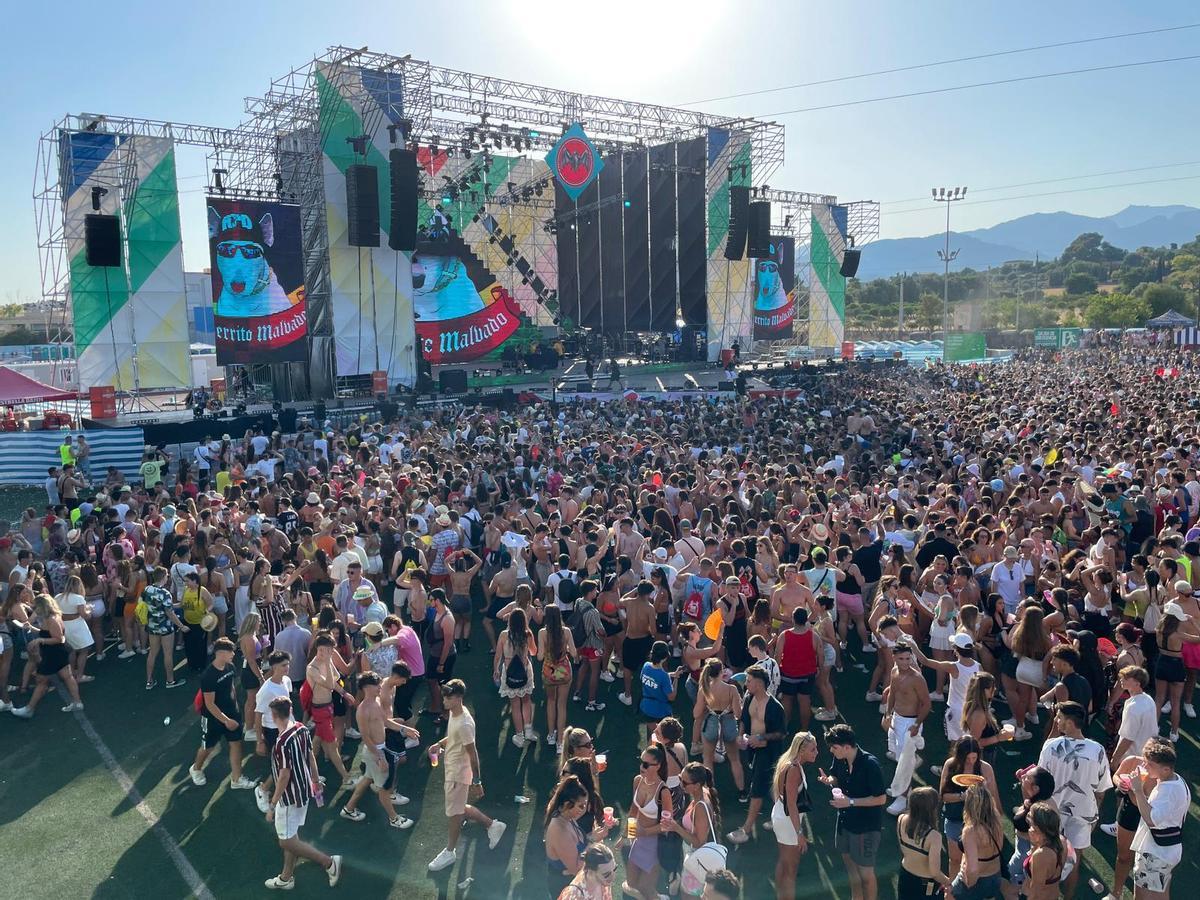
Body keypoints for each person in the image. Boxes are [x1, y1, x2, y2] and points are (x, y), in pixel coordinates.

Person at [262, 696, 343, 890]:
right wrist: (315, 780)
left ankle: (328, 862)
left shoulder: (281, 743)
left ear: (274, 716)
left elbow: (284, 775)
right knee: (292, 836)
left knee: (285, 841)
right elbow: (310, 756)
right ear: (290, 711)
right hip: (304, 791)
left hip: (289, 798)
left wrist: (272, 804)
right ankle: (286, 877)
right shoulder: (301, 728)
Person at [426, 679, 507, 872]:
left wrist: (477, 781)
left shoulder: (464, 723)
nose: (444, 700)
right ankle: (492, 826)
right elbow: (454, 737)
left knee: (455, 814)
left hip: (457, 774)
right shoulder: (456, 714)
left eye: (448, 697)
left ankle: (449, 852)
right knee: (459, 808)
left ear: (459, 698)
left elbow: (473, 753)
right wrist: (441, 743)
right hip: (453, 769)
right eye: (444, 696)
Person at [1036, 701, 1109, 900]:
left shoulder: (1051, 746)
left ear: (1069, 722)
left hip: (1051, 813)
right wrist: (1094, 816)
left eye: (1058, 717)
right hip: (1083, 814)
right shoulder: (1098, 750)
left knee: (1046, 857)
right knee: (1074, 860)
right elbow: (1101, 791)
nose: (1056, 721)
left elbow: (1040, 780)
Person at [338, 671, 417, 829]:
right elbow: (366, 737)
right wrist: (380, 757)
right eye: (377, 685)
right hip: (375, 753)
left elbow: (386, 722)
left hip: (378, 750)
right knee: (384, 789)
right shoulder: (362, 710)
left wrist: (404, 729)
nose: (380, 687)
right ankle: (394, 818)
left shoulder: (377, 702)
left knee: (367, 779)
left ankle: (348, 808)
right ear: (367, 687)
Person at [820, 723, 887, 900]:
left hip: (865, 828)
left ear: (847, 747)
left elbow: (881, 798)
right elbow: (836, 777)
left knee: (866, 875)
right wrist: (830, 781)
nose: (831, 751)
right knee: (852, 871)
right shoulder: (841, 758)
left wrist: (850, 802)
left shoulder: (870, 765)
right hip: (844, 823)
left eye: (834, 748)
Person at [727, 665, 786, 844]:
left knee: (757, 789)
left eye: (749, 681)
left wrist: (760, 737)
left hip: (768, 752)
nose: (746, 683)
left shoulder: (776, 707)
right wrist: (740, 735)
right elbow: (744, 719)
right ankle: (783, 819)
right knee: (773, 786)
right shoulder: (749, 696)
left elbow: (781, 733)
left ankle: (745, 830)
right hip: (753, 750)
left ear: (759, 684)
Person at [189, 636, 256, 791]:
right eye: (230, 652)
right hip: (213, 719)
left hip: (232, 714)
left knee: (236, 744)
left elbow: (231, 688)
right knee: (208, 747)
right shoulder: (208, 676)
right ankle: (196, 768)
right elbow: (210, 704)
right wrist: (226, 720)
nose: (233, 654)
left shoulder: (230, 667)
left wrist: (235, 709)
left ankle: (237, 779)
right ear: (219, 653)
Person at [1127, 738, 1189, 900]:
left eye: (1150, 765)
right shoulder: (1176, 781)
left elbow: (1151, 819)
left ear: (1166, 769)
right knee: (1159, 895)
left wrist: (1138, 790)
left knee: (1141, 896)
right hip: (1167, 851)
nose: (1145, 767)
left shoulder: (1168, 791)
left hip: (1155, 854)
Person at [10, 593, 84, 718]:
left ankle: (29, 709)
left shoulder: (52, 619)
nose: (35, 609)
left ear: (42, 606)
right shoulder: (50, 617)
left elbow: (59, 638)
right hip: (57, 653)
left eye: (37, 607)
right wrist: (32, 628)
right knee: (67, 677)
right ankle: (77, 702)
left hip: (53, 654)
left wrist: (40, 641)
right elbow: (47, 633)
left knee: (41, 681)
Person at [882, 640, 931, 815]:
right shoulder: (894, 671)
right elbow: (892, 694)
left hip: (910, 724)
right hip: (896, 720)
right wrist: (887, 714)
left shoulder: (917, 678)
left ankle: (903, 799)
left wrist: (917, 725)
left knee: (904, 763)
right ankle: (901, 788)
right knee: (898, 756)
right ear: (894, 657)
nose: (905, 662)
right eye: (901, 658)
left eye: (908, 658)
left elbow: (926, 704)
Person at [770, 732, 818, 900]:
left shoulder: (787, 762)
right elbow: (791, 804)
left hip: (781, 815)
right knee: (791, 868)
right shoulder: (794, 769)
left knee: (784, 861)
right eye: (813, 750)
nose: (816, 752)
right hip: (788, 820)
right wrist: (799, 834)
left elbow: (779, 793)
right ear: (801, 750)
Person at [305, 632, 356, 786]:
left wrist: (344, 693)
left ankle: (307, 770)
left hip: (328, 707)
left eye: (327, 651)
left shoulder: (327, 661)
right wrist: (327, 662)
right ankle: (346, 777)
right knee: (332, 746)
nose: (323, 654)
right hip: (320, 710)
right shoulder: (312, 667)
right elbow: (328, 684)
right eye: (321, 650)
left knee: (317, 740)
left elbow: (335, 680)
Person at [624, 743, 672, 900]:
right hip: (638, 839)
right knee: (632, 884)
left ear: (657, 766)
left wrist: (644, 832)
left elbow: (666, 825)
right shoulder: (637, 781)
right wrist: (629, 834)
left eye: (646, 764)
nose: (642, 767)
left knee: (646, 888)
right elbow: (633, 810)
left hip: (654, 843)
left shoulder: (663, 791)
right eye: (641, 762)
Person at [252, 650, 293, 814]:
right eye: (283, 665)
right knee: (279, 766)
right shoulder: (266, 690)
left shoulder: (287, 681)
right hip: (272, 731)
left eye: (288, 664)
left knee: (286, 763)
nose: (287, 668)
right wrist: (259, 741)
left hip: (287, 728)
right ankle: (262, 789)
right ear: (274, 666)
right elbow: (258, 715)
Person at [895, 786, 952, 899]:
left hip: (905, 875)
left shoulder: (901, 819)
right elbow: (934, 872)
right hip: (925, 884)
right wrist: (950, 883)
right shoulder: (934, 837)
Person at [494, 606, 539, 747]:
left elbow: (498, 655)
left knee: (515, 705)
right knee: (526, 701)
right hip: (525, 670)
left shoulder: (503, 635)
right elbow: (533, 652)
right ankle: (529, 731)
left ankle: (519, 736)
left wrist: (495, 669)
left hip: (509, 671)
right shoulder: (528, 634)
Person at [952, 784, 1004, 900]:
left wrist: (968, 884)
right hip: (994, 877)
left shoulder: (971, 830)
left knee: (949, 896)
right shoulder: (996, 821)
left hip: (975, 880)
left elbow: (973, 869)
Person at [639, 639, 679, 722]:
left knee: (651, 733)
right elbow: (671, 697)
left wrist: (671, 674)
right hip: (661, 711)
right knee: (665, 734)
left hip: (645, 707)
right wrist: (676, 678)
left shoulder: (646, 666)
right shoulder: (664, 676)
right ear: (665, 657)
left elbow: (651, 677)